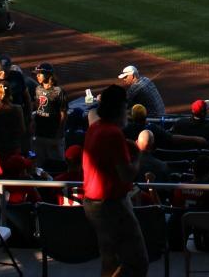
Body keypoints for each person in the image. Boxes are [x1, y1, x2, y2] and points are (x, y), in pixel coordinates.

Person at [81, 84, 148, 276]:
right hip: (111, 205)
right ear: (118, 108)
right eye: (124, 107)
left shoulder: (95, 127)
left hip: (93, 204)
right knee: (137, 262)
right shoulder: (113, 133)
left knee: (110, 260)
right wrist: (138, 155)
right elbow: (127, 174)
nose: (126, 112)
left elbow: (92, 114)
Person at [31, 62, 66, 168]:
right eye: (36, 73)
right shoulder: (38, 89)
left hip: (53, 136)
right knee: (39, 165)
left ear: (48, 74)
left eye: (40, 73)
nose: (37, 76)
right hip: (40, 134)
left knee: (56, 165)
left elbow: (63, 114)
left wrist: (59, 132)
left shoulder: (59, 91)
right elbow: (36, 108)